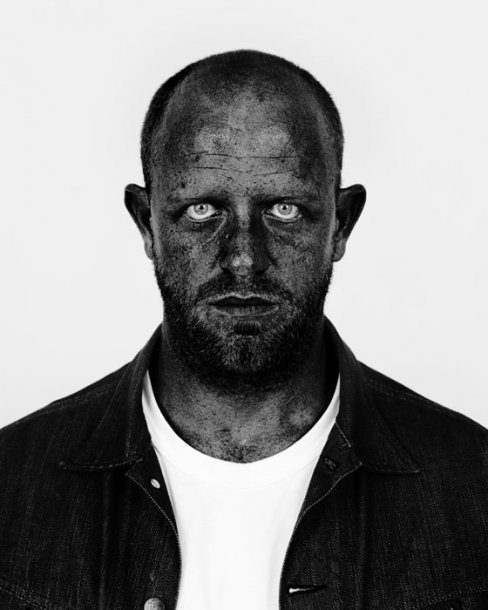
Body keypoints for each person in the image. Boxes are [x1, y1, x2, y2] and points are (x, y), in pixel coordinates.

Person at [1, 50, 487, 610]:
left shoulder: (473, 486)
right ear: (147, 223)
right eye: (202, 211)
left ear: (341, 224)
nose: (243, 259)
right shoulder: (12, 486)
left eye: (283, 209)